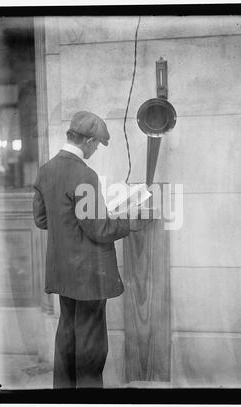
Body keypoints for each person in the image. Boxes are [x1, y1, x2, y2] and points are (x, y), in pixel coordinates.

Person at [33, 111, 152, 388]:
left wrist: (74, 224)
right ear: (86, 140)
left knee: (67, 335)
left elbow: (41, 220)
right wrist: (128, 223)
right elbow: (99, 229)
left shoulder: (46, 170)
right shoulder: (83, 174)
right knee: (91, 344)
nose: (96, 149)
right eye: (96, 143)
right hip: (88, 276)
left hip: (62, 273)